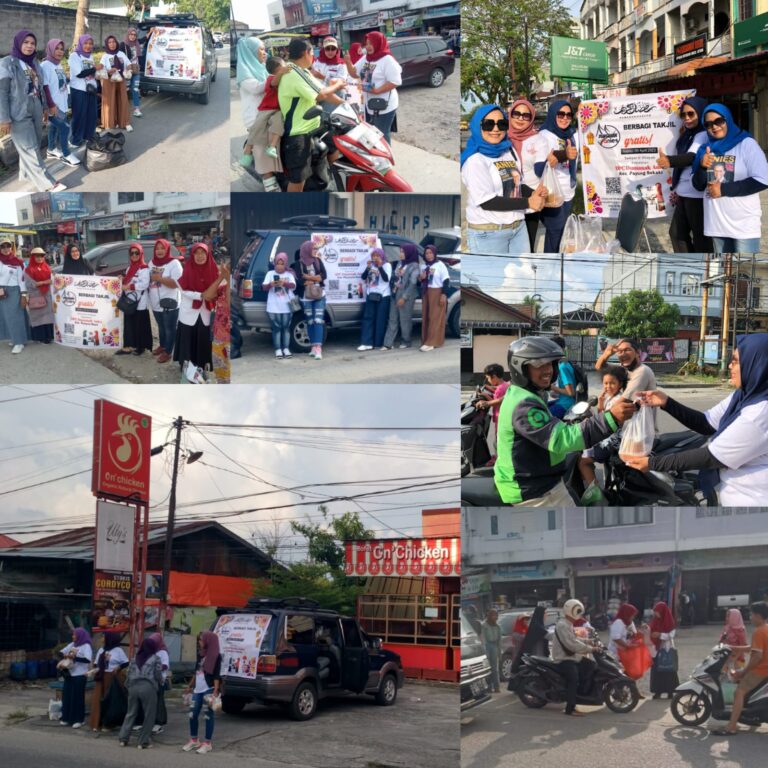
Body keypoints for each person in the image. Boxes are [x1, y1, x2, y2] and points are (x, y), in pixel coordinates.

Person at [625, 334, 768, 506]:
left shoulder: (761, 413)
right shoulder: (744, 395)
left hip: (755, 502)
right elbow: (706, 423)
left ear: (757, 364)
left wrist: (652, 463)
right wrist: (666, 403)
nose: (730, 366)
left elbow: (711, 456)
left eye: (736, 361)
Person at [494, 336, 635, 505]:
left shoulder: (525, 394)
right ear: (521, 367)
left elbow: (547, 428)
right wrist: (610, 418)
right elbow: (561, 439)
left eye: (550, 364)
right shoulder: (525, 405)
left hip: (536, 478)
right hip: (535, 490)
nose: (548, 371)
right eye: (539, 364)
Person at [461, 105, 547, 255]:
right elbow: (487, 201)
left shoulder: (507, 150)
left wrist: (535, 193)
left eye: (501, 124)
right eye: (488, 124)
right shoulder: (475, 160)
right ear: (477, 126)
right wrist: (528, 202)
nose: (495, 129)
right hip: (489, 234)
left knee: (523, 276)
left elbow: (516, 185)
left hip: (518, 228)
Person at [691, 103, 768, 253]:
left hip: (743, 225)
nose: (714, 127)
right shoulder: (705, 149)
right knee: (723, 273)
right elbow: (698, 185)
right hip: (717, 225)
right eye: (708, 124)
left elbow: (763, 179)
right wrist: (702, 166)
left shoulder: (746, 144)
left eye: (719, 121)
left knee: (745, 273)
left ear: (728, 120)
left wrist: (724, 189)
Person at [0, 30, 64, 192]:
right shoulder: (7, 63)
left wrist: (43, 108)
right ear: (18, 43)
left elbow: (40, 87)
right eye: (26, 42)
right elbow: (2, 92)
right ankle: (48, 183)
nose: (29, 46)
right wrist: (4, 118)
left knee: (33, 143)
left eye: (32, 43)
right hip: (17, 111)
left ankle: (27, 174)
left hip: (35, 106)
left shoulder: (34, 63)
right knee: (30, 148)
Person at [278, 38, 345, 192]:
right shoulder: (293, 72)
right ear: (305, 53)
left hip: (314, 125)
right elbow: (321, 95)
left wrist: (345, 105)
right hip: (298, 132)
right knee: (299, 179)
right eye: (311, 53)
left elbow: (323, 92)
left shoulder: (303, 71)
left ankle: (337, 182)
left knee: (334, 148)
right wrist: (337, 85)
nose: (313, 57)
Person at [655, 96, 710, 252]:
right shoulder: (687, 134)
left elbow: (692, 157)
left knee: (700, 237)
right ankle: (688, 268)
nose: (686, 118)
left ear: (700, 113)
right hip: (684, 193)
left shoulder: (702, 134)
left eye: (691, 114)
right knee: (677, 234)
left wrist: (669, 161)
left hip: (696, 195)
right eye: (683, 115)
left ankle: (702, 271)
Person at [534, 100, 579, 252]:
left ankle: (553, 265)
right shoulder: (544, 135)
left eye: (569, 115)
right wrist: (563, 155)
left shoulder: (572, 134)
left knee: (559, 233)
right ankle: (550, 267)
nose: (565, 118)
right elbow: (543, 162)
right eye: (561, 114)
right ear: (553, 114)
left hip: (568, 192)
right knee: (555, 231)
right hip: (552, 193)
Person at [578, 365, 628, 497]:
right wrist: (600, 404)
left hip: (613, 441)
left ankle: (596, 495)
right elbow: (603, 421)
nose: (608, 386)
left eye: (612, 383)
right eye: (606, 383)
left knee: (583, 461)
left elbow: (611, 423)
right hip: (608, 437)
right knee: (582, 449)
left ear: (620, 384)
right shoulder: (610, 398)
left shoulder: (619, 400)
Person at [719, 602, 768, 735]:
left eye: (752, 614)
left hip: (761, 670)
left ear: (758, 615)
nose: (750, 617)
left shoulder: (759, 632)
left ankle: (732, 725)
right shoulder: (766, 629)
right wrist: (732, 648)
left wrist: (743, 671)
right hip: (764, 668)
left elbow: (757, 657)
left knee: (739, 692)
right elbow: (751, 648)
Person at [346, 32, 402, 143]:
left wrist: (377, 90)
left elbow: (396, 81)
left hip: (385, 104)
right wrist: (348, 62)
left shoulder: (387, 60)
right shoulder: (366, 59)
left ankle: (386, 159)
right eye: (366, 44)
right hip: (370, 104)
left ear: (379, 43)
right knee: (372, 133)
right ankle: (377, 157)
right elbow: (354, 74)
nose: (368, 47)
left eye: (371, 43)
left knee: (381, 134)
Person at [173, 242, 221, 372]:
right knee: (187, 339)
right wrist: (201, 295)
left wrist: (212, 295)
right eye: (197, 253)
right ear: (192, 255)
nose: (200, 256)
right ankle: (186, 367)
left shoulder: (214, 270)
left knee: (203, 338)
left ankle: (201, 366)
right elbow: (183, 289)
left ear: (207, 254)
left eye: (203, 253)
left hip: (206, 311)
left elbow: (219, 288)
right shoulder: (187, 269)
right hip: (189, 312)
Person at [242, 57, 287, 192]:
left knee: (278, 125)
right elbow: (274, 82)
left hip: (279, 110)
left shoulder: (285, 77)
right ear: (278, 68)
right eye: (283, 66)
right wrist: (283, 72)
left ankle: (272, 146)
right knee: (257, 129)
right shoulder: (270, 78)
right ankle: (247, 152)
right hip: (266, 109)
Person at [595, 337, 657, 428]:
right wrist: (606, 354)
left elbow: (622, 402)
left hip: (641, 434)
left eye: (627, 350)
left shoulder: (642, 371)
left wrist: (597, 422)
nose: (623, 354)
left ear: (637, 353)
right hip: (628, 428)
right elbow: (599, 367)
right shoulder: (625, 369)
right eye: (620, 351)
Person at [551, 599, 599, 716]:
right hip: (563, 658)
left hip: (571, 656)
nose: (579, 614)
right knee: (574, 679)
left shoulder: (568, 623)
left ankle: (580, 695)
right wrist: (589, 648)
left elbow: (574, 639)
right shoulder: (563, 625)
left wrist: (589, 641)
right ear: (570, 610)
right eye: (577, 611)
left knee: (590, 665)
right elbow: (571, 644)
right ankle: (569, 708)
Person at [506, 98, 542, 250]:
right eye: (517, 114)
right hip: (507, 198)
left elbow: (544, 167)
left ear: (531, 118)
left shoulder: (538, 139)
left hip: (531, 195)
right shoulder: (499, 137)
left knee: (529, 241)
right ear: (510, 115)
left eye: (526, 115)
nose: (520, 118)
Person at [118, 636, 163, 749]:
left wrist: (127, 686)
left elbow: (129, 673)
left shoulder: (134, 658)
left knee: (131, 713)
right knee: (149, 714)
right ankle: (142, 742)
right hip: (148, 687)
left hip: (133, 687)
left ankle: (123, 738)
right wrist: (161, 681)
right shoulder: (155, 658)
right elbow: (157, 674)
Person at [41, 39, 80, 167]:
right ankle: (66, 154)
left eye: (62, 49)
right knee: (65, 128)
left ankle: (51, 149)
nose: (59, 51)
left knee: (53, 128)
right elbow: (45, 87)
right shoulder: (45, 65)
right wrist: (50, 105)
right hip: (53, 106)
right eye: (57, 48)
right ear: (50, 49)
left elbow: (61, 82)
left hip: (61, 103)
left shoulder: (58, 64)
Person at [182, 631, 222, 755]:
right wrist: (190, 686)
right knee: (192, 714)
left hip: (208, 688)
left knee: (207, 715)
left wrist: (215, 690)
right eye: (199, 640)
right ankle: (194, 740)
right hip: (197, 689)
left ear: (208, 641)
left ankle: (207, 743)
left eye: (201, 640)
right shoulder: (200, 654)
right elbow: (196, 671)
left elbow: (216, 674)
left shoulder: (216, 655)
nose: (199, 642)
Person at [147, 238, 181, 364]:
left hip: (170, 302)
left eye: (163, 248)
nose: (160, 251)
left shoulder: (174, 263)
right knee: (161, 327)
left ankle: (168, 351)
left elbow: (177, 284)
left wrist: (159, 279)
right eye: (157, 248)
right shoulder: (151, 263)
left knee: (170, 328)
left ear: (167, 249)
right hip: (156, 303)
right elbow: (148, 280)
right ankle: (162, 345)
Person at [382, 243, 421, 351]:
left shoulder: (414, 266)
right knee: (392, 319)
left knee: (405, 319)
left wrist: (404, 298)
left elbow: (413, 283)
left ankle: (406, 341)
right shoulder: (400, 263)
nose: (401, 254)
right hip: (395, 293)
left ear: (409, 253)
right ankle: (388, 343)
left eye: (403, 252)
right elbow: (395, 276)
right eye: (400, 251)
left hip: (406, 296)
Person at [293, 240, 327, 360]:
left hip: (319, 295)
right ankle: (313, 347)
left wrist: (310, 278)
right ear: (306, 250)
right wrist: (316, 279)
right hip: (305, 296)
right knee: (310, 321)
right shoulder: (298, 264)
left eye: (316, 249)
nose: (315, 251)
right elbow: (300, 281)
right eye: (313, 249)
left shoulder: (318, 261)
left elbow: (324, 276)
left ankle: (318, 348)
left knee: (318, 320)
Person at [116, 243, 151, 357]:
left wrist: (130, 287)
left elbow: (144, 284)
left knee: (140, 324)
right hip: (129, 301)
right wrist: (122, 279)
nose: (134, 255)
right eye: (132, 253)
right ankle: (128, 346)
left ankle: (141, 347)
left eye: (137, 253)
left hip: (140, 301)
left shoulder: (144, 268)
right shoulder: (129, 267)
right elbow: (127, 280)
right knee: (129, 324)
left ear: (141, 254)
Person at [88, 632, 128, 731]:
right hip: (101, 677)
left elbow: (126, 662)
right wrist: (92, 671)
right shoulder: (101, 650)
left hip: (112, 677)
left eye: (104, 637)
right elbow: (96, 664)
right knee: (98, 700)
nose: (102, 638)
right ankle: (97, 723)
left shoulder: (118, 650)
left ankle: (109, 724)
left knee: (110, 700)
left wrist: (118, 667)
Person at [68, 34, 101, 147]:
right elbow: (80, 74)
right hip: (79, 90)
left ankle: (88, 136)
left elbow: (91, 72)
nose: (88, 46)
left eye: (90, 44)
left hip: (91, 89)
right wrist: (94, 68)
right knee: (79, 115)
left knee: (91, 114)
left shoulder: (90, 56)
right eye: (86, 43)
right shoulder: (74, 56)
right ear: (81, 43)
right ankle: (75, 140)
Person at [262, 251, 295, 358]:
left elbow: (293, 285)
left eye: (282, 264)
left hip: (286, 307)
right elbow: (264, 287)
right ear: (275, 264)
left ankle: (286, 348)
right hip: (273, 307)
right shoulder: (270, 274)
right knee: (276, 329)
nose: (279, 266)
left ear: (285, 264)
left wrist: (284, 283)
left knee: (286, 328)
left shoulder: (289, 274)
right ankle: (278, 349)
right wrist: (271, 284)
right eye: (277, 263)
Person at [236, 36, 268, 149]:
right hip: (255, 118)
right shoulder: (244, 71)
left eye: (265, 49)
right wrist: (275, 78)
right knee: (263, 156)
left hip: (267, 116)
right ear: (251, 52)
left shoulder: (263, 68)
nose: (264, 53)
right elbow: (256, 88)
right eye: (261, 49)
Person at [357, 247, 390, 351]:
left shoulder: (387, 265)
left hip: (383, 295)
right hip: (371, 294)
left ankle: (378, 343)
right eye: (373, 256)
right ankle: (366, 343)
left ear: (382, 256)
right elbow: (363, 277)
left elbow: (386, 279)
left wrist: (380, 267)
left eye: (377, 256)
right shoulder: (371, 266)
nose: (375, 258)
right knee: (368, 318)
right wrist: (368, 268)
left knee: (380, 320)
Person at [59, 628, 93, 728]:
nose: (73, 636)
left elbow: (87, 660)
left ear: (80, 636)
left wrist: (74, 657)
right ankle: (66, 718)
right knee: (67, 696)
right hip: (69, 675)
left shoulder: (86, 646)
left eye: (74, 635)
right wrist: (64, 655)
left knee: (77, 698)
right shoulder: (72, 645)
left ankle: (79, 719)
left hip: (80, 675)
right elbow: (61, 652)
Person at [0, 236, 29, 354]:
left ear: (11, 247)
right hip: (2, 292)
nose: (6, 249)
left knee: (15, 317)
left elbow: (22, 279)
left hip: (14, 291)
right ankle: (15, 338)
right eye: (3, 246)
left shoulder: (18, 262)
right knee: (5, 317)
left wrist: (23, 295)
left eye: (8, 246)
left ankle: (19, 342)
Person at [419, 244, 449, 352]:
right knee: (426, 317)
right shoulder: (424, 266)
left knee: (435, 318)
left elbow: (446, 281)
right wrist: (421, 278)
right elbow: (422, 280)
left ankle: (432, 342)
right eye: (427, 253)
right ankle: (426, 340)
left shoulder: (440, 265)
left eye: (431, 253)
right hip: (426, 292)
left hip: (437, 292)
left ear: (435, 253)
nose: (428, 255)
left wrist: (443, 294)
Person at [474, 363, 508, 458]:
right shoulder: (504, 385)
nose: (488, 381)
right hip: (502, 417)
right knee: (497, 440)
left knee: (498, 440)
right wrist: (485, 395)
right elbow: (496, 400)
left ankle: (498, 458)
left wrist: (485, 400)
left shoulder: (500, 389)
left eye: (488, 378)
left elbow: (496, 402)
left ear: (494, 376)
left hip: (500, 418)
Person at [100, 35, 132, 133]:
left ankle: (125, 122)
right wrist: (110, 71)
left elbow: (129, 64)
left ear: (116, 43)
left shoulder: (121, 53)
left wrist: (128, 68)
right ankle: (109, 123)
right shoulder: (105, 56)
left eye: (113, 42)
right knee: (110, 102)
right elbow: (101, 69)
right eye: (109, 42)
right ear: (107, 44)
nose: (112, 44)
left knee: (123, 100)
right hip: (109, 82)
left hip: (121, 80)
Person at [23, 246, 54, 343]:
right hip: (36, 296)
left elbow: (53, 280)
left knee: (48, 316)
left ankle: (49, 336)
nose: (39, 258)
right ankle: (40, 338)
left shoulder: (47, 268)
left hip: (47, 296)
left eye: (41, 256)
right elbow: (29, 284)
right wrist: (45, 282)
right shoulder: (28, 270)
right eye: (37, 256)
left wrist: (49, 281)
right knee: (38, 317)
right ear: (33, 257)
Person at [649, 601, 678, 699]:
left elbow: (671, 635)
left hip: (667, 648)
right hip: (656, 649)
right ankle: (657, 692)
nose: (656, 614)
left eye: (657, 611)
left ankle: (670, 691)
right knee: (657, 670)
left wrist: (660, 635)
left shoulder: (670, 621)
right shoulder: (655, 620)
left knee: (669, 670)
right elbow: (650, 630)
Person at [211, 260, 231, 384]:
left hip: (229, 338)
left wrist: (228, 279)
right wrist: (220, 278)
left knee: (230, 375)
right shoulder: (222, 288)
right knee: (220, 374)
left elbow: (229, 304)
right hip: (218, 336)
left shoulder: (234, 288)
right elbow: (207, 296)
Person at [548, 336, 576, 419]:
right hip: (562, 400)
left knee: (542, 416)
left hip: (566, 404)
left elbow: (570, 393)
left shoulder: (563, 367)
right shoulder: (566, 362)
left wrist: (552, 387)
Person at [118, 27, 142, 118]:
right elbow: (119, 57)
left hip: (135, 70)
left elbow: (144, 39)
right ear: (128, 34)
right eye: (131, 34)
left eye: (134, 35)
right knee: (125, 90)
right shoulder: (123, 44)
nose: (133, 36)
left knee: (135, 89)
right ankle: (123, 109)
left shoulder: (137, 44)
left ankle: (136, 109)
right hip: (127, 71)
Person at [480, 609, 502, 693]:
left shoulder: (498, 626)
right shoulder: (484, 625)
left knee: (495, 668)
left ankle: (497, 687)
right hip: (487, 645)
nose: (494, 617)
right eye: (493, 615)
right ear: (489, 616)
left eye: (496, 615)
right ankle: (489, 687)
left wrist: (500, 653)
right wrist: (485, 651)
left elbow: (500, 640)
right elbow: (483, 639)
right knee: (487, 668)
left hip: (494, 646)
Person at [721, 608, 748, 673]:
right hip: (726, 656)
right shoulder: (727, 627)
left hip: (737, 659)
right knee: (723, 676)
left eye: (728, 616)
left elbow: (743, 646)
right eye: (726, 616)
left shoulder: (741, 630)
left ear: (734, 617)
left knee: (736, 677)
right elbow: (722, 639)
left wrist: (734, 659)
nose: (726, 618)